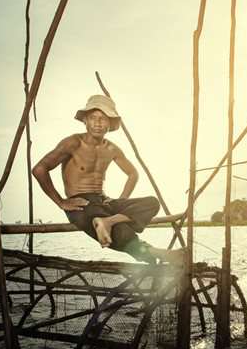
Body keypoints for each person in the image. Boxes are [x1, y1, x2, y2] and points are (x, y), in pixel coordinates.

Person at [32, 94, 182, 265]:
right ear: (85, 121)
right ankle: (157, 254)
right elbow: (39, 169)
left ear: (110, 124)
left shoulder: (112, 149)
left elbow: (133, 174)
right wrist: (61, 202)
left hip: (103, 201)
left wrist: (122, 201)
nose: (97, 123)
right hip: (81, 204)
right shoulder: (73, 143)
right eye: (93, 118)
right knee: (121, 232)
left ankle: (108, 221)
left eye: (103, 119)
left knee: (152, 203)